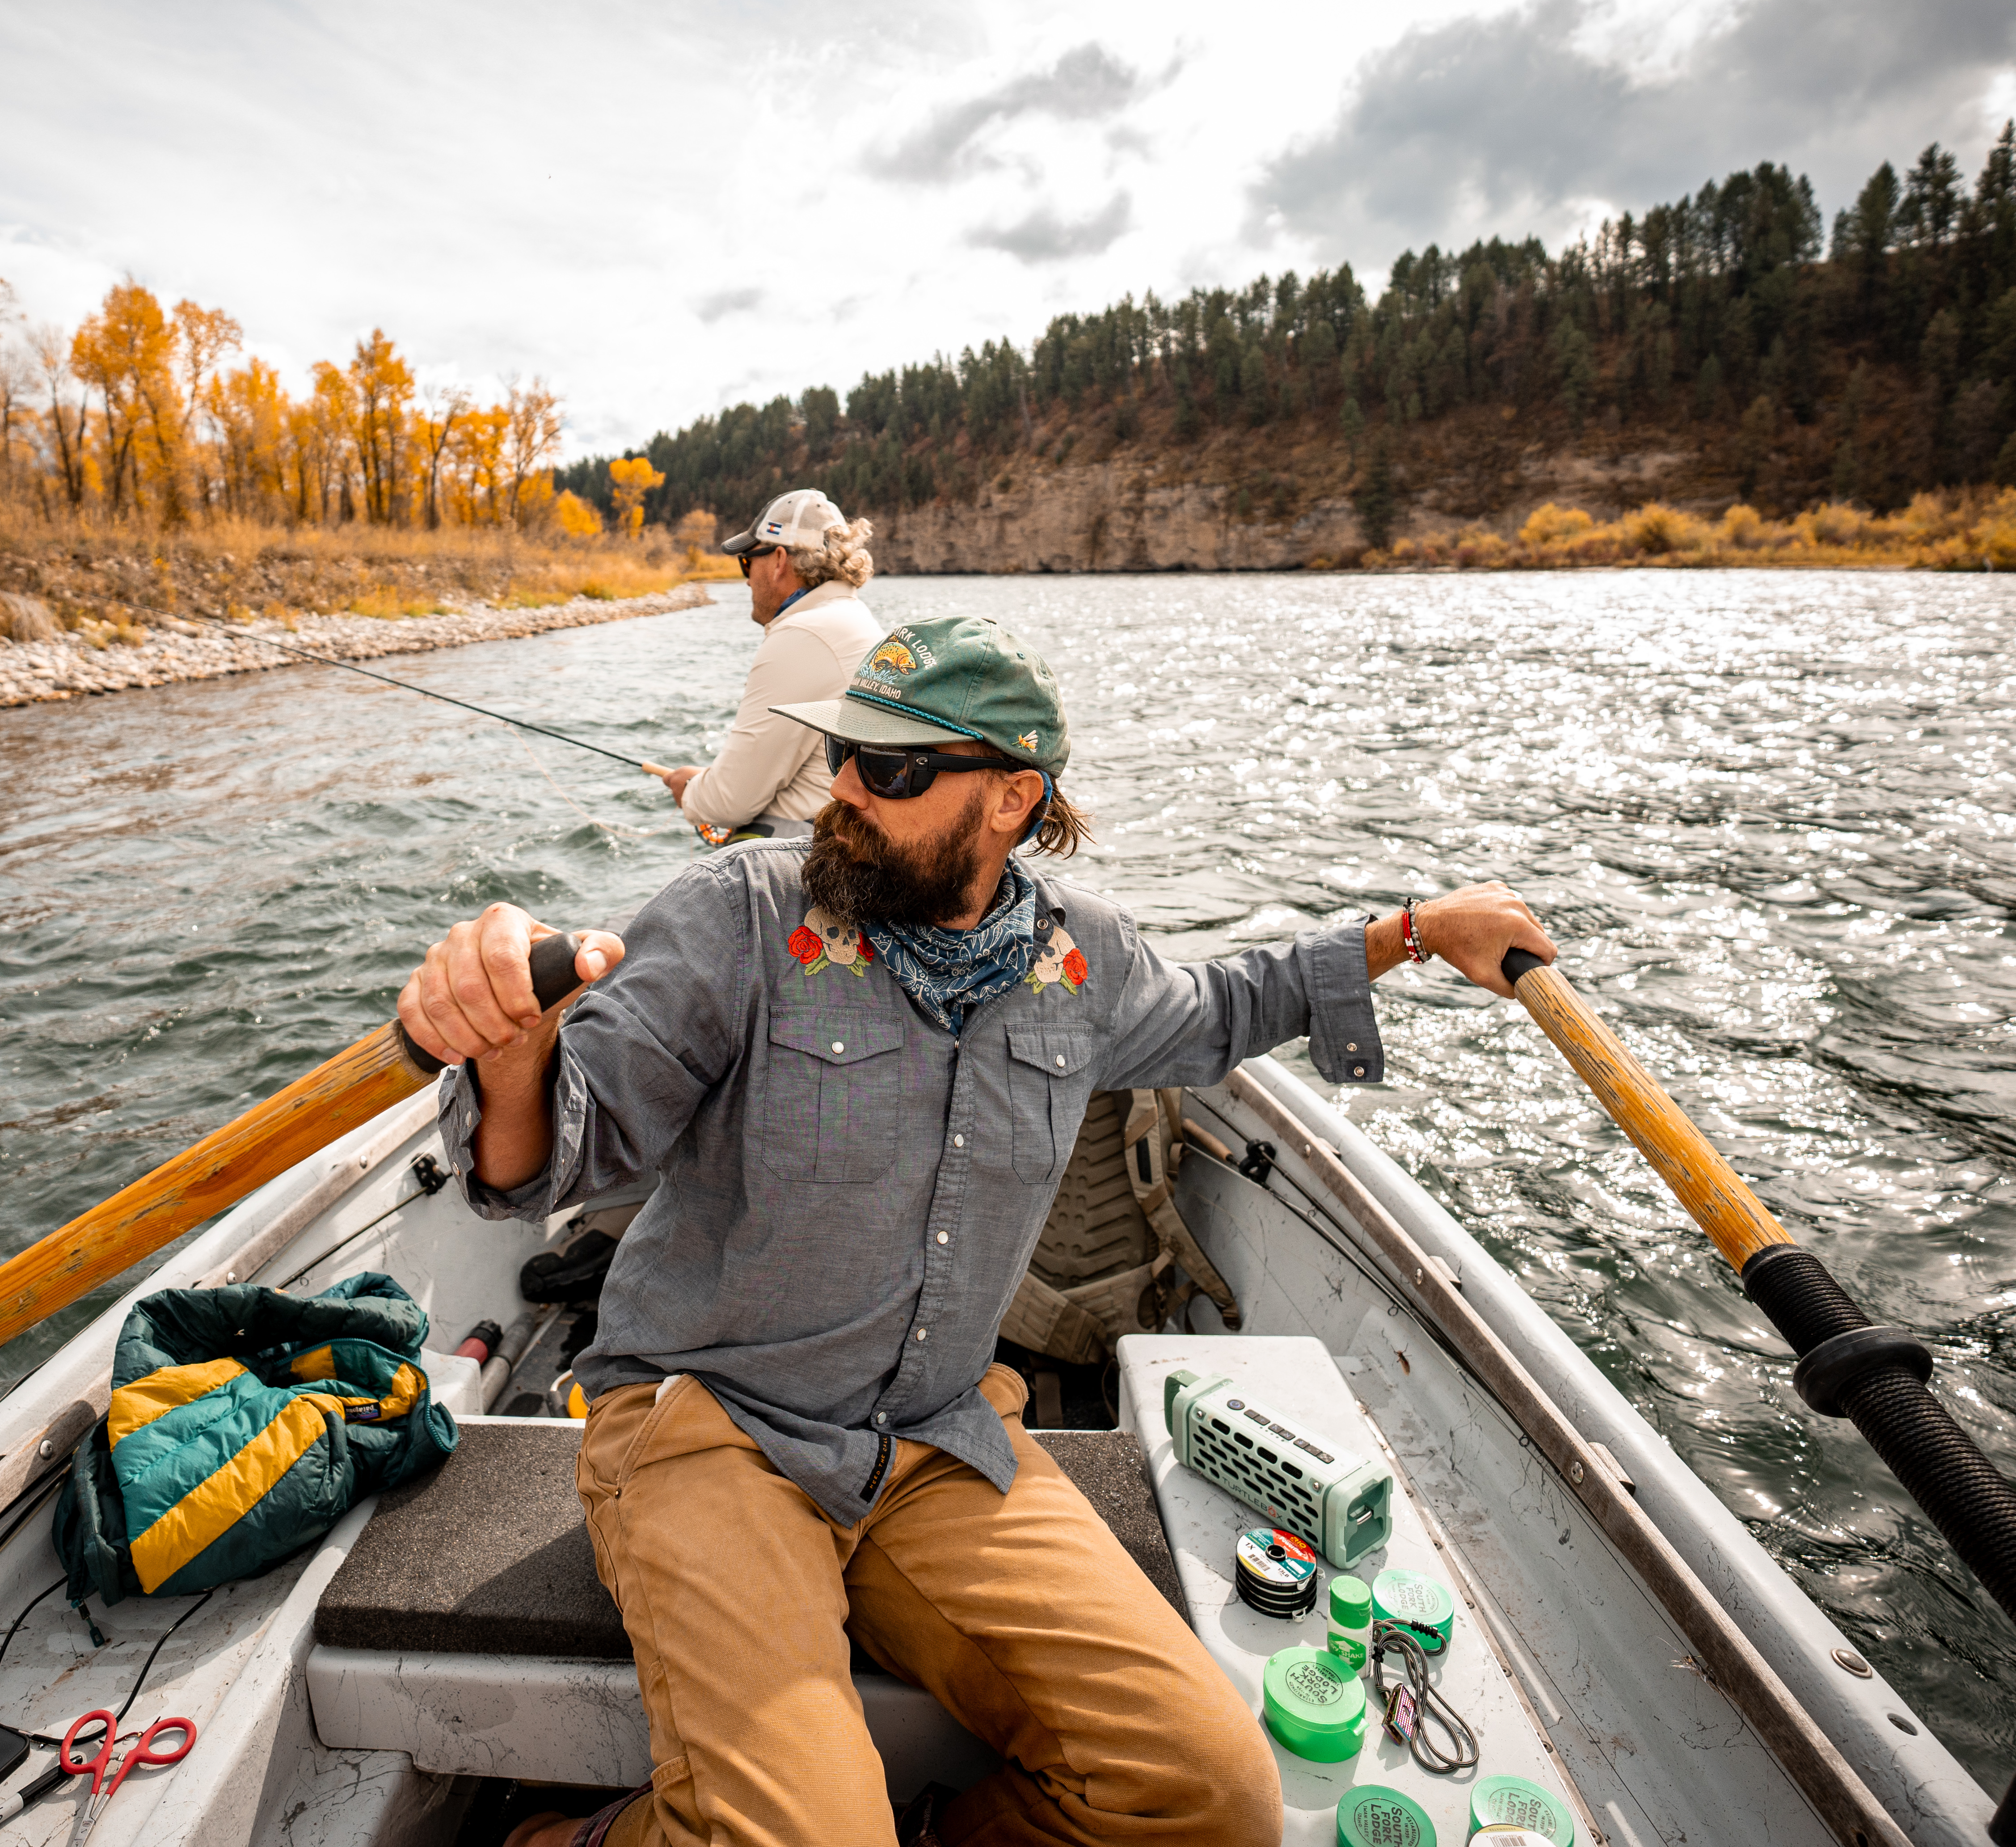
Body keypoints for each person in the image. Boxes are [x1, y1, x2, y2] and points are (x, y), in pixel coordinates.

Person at [400, 614, 1556, 1847]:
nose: (844, 791)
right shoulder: (739, 916)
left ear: (1011, 798)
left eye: (890, 768)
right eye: (842, 754)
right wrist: (513, 1048)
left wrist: (1415, 933)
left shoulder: (1083, 960)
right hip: (710, 1428)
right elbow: (547, 1163)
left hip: (934, 1437)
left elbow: (1222, 1009)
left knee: (1208, 1794)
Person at [642, 486, 882, 840]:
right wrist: (707, 781)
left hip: (811, 849)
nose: (747, 578)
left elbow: (730, 802)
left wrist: (691, 792)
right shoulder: (852, 618)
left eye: (748, 561)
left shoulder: (804, 635)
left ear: (780, 560)